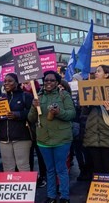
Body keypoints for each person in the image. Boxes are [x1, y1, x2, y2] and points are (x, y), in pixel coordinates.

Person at [28, 71, 76, 203]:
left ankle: (64, 197)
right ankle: (51, 196)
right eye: (46, 80)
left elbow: (72, 114)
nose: (48, 82)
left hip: (61, 139)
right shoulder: (39, 96)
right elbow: (31, 119)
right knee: (50, 169)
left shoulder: (64, 95)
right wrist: (33, 107)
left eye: (52, 80)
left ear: (57, 83)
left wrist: (59, 112)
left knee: (61, 169)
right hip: (44, 139)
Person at [82, 65, 109, 176]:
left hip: (106, 135)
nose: (96, 73)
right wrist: (86, 104)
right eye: (95, 71)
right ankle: (98, 192)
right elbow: (84, 113)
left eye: (98, 71)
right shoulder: (88, 88)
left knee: (107, 166)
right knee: (96, 167)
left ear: (106, 74)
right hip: (92, 135)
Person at [0, 73, 33, 172]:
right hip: (4, 139)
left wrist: (18, 114)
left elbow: (33, 114)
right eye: (5, 81)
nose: (6, 83)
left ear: (17, 83)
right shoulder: (0, 98)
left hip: (21, 137)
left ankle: (25, 187)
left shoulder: (26, 96)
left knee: (22, 166)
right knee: (7, 168)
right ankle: (10, 187)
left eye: (10, 81)